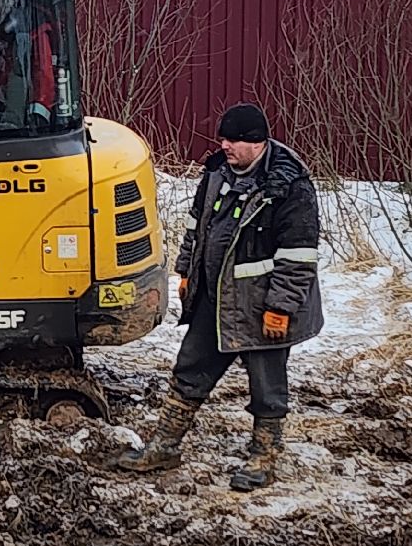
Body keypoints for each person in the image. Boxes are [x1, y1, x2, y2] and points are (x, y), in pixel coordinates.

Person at [115, 102, 323, 490]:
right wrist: (187, 272)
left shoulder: (288, 186)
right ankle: (164, 446)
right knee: (189, 369)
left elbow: (298, 257)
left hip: (262, 306)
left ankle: (264, 456)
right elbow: (197, 226)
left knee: (267, 385)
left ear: (257, 142)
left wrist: (280, 307)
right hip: (215, 297)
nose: (224, 146)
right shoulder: (217, 174)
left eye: (233, 140)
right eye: (222, 138)